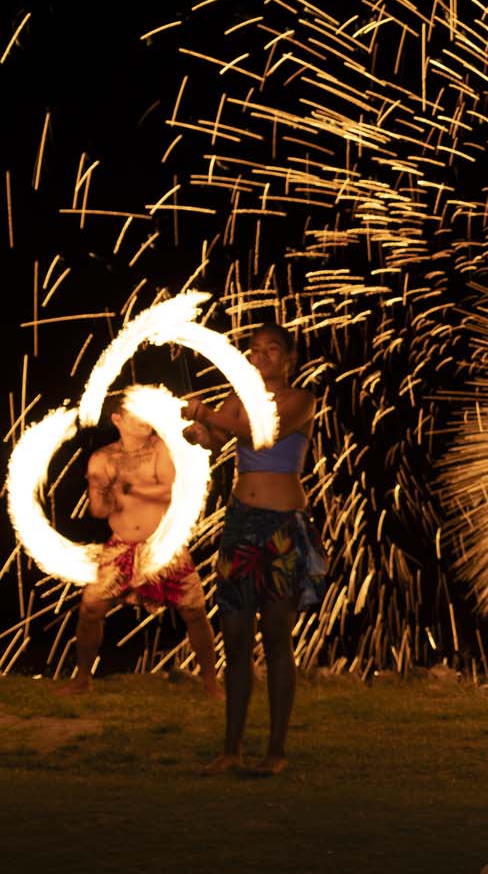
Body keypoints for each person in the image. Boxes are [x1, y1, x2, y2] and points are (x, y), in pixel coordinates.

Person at [182, 323, 325, 776]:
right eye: (255, 349)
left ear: (289, 358)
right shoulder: (236, 401)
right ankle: (231, 749)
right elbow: (224, 437)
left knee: (277, 637)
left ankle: (276, 751)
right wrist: (197, 432)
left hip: (280, 529)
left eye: (273, 349)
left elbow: (262, 433)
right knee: (237, 637)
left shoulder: (301, 400)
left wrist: (206, 410)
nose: (262, 356)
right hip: (241, 525)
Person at [58, 397, 220, 698]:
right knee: (90, 609)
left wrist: (126, 486)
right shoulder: (102, 458)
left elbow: (170, 491)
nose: (145, 417)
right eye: (135, 412)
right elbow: (99, 510)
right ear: (118, 419)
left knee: (195, 613)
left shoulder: (161, 447)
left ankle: (211, 682)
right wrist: (101, 490)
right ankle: (82, 679)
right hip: (121, 548)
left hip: (163, 545)